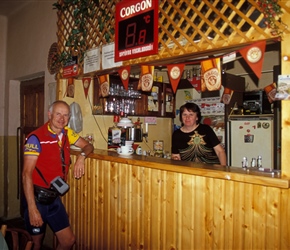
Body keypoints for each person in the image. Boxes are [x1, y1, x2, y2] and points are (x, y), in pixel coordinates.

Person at [22, 100, 94, 250]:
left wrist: (82, 157)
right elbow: (26, 174)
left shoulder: (68, 133)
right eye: (58, 114)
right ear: (49, 115)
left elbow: (88, 145)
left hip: (54, 198)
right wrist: (32, 208)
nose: (62, 118)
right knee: (36, 244)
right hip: (36, 198)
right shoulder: (36, 137)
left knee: (68, 241)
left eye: (66, 115)